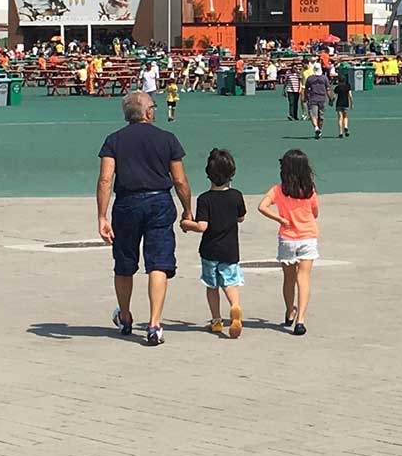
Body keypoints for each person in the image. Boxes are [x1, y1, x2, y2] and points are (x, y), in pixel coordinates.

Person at [96, 92, 193, 347]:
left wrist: (102, 216)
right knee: (158, 263)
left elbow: (106, 179)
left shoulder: (114, 140)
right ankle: (154, 323)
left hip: (126, 203)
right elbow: (180, 180)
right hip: (159, 201)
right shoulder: (167, 139)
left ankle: (125, 315)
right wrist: (187, 209)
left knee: (124, 262)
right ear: (147, 112)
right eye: (154, 107)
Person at [260, 148, 320, 336]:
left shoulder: (278, 190)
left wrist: (280, 219)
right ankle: (300, 320)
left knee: (289, 278)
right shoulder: (309, 190)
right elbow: (315, 212)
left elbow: (262, 206)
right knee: (304, 278)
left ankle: (289, 311)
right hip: (308, 236)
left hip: (288, 238)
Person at [188, 148, 246, 338]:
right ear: (232, 173)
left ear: (208, 174)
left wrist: (187, 224)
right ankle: (235, 307)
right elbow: (241, 217)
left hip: (210, 250)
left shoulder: (205, 199)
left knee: (212, 286)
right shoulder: (236, 196)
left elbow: (202, 226)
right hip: (230, 249)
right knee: (230, 283)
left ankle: (216, 320)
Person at [303, 65, 332, 140]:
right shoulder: (324, 78)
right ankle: (320, 130)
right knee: (321, 116)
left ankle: (316, 128)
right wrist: (330, 98)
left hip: (313, 98)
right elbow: (328, 89)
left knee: (313, 115)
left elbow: (306, 89)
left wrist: (305, 97)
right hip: (322, 99)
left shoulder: (310, 78)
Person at [330, 64, 352, 139]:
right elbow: (350, 95)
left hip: (339, 103)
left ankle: (340, 132)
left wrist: (331, 102)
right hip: (346, 103)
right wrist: (351, 103)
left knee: (340, 118)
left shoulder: (337, 88)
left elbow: (335, 96)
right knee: (345, 116)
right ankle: (345, 126)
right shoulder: (347, 86)